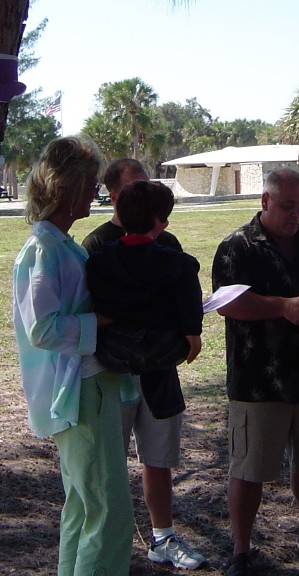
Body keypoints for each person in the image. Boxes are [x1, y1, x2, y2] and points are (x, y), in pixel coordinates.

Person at [211, 168, 299, 576]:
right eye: (288, 205)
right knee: (248, 470)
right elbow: (226, 303)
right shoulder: (237, 247)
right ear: (265, 201)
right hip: (258, 381)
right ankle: (241, 550)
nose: (296, 214)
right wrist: (282, 307)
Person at [11, 135, 133, 576]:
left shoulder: (61, 244)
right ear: (67, 186)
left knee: (82, 507)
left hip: (85, 386)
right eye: (89, 182)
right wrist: (102, 321)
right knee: (108, 511)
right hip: (81, 390)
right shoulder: (44, 250)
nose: (95, 191)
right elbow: (42, 328)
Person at [82, 159, 206, 571]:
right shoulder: (95, 245)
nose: (142, 194)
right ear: (114, 196)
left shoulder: (167, 246)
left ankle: (162, 537)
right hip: (110, 374)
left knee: (159, 456)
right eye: (135, 187)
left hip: (158, 371)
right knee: (108, 462)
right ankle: (109, 541)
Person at [86, 179, 203, 419]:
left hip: (113, 351)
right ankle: (164, 411)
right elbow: (190, 306)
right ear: (161, 222)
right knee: (161, 347)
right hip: (164, 349)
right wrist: (193, 335)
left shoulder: (99, 261)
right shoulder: (179, 264)